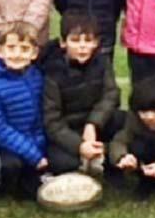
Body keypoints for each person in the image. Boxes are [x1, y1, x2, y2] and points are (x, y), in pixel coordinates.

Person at [42, 13, 125, 178]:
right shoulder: (52, 71)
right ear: (63, 43)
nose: (82, 46)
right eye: (75, 40)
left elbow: (111, 94)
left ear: (95, 43)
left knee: (126, 122)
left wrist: (93, 123)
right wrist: (80, 145)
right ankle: (80, 160)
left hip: (94, 124)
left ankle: (111, 163)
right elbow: (52, 121)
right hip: (67, 129)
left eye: (87, 41)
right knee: (64, 164)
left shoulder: (102, 62)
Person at [0, 22, 48, 201]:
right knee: (11, 166)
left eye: (24, 49)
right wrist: (33, 154)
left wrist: (40, 147)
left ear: (34, 53)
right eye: (11, 48)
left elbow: (41, 118)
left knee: (32, 192)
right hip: (3, 146)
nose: (17, 54)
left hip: (32, 142)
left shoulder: (37, 77)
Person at [109, 78, 155, 200]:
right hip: (145, 159)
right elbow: (119, 141)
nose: (150, 117)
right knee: (138, 145)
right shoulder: (133, 122)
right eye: (143, 112)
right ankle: (146, 180)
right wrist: (122, 157)